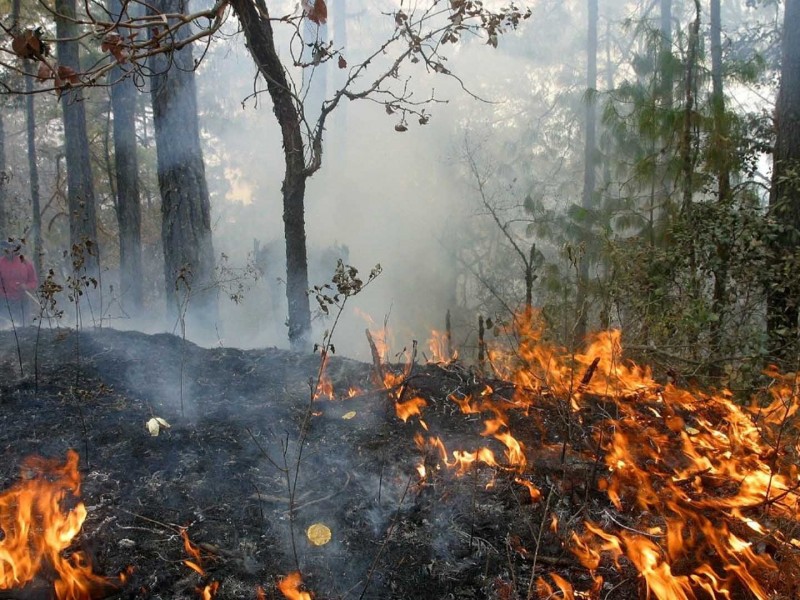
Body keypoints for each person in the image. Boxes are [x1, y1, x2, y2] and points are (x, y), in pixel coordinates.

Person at [0, 240, 39, 327]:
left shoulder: (27, 263)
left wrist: (26, 286)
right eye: (5, 248)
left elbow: (34, 282)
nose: (8, 250)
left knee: (23, 327)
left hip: (22, 301)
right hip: (4, 302)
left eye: (11, 247)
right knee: (5, 327)